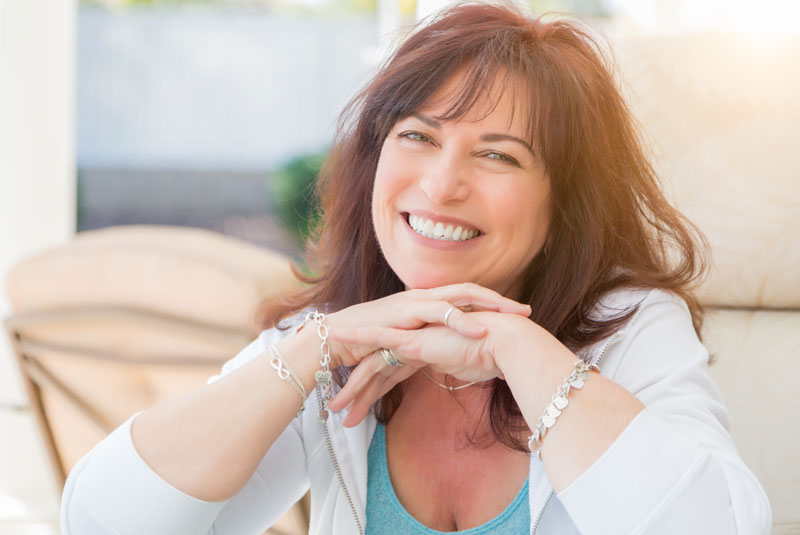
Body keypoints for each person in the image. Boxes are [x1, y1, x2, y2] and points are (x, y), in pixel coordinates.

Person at [60, 2, 772, 534]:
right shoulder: (336, 337)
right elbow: (101, 519)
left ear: (567, 202)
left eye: (499, 154)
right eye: (417, 137)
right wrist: (313, 348)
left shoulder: (633, 329)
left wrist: (512, 347)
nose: (439, 185)